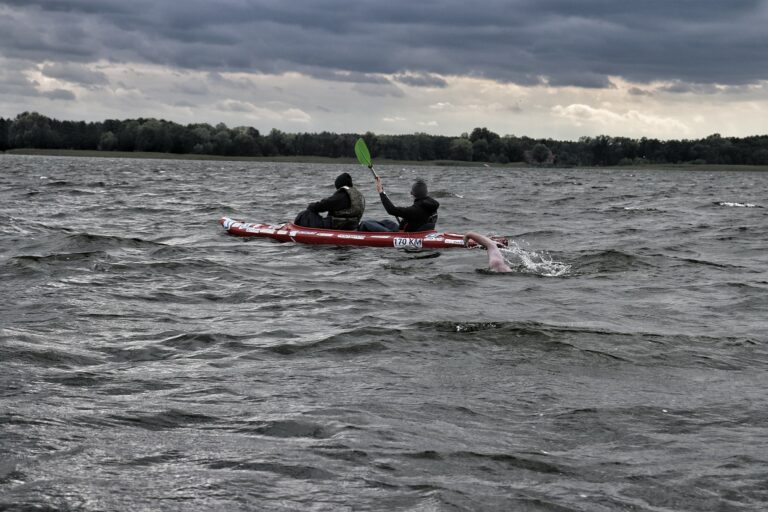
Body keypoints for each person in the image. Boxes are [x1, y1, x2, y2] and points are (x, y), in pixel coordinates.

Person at [359, 177, 439, 232]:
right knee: (387, 222)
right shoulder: (432, 205)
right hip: (416, 230)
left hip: (407, 235)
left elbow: (391, 210)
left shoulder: (415, 210)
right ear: (426, 193)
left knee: (365, 223)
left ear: (413, 193)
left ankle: (357, 231)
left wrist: (380, 192)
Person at [293, 172, 365, 230]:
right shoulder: (357, 195)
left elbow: (324, 205)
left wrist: (311, 206)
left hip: (336, 225)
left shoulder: (342, 195)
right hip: (352, 225)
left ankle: (297, 229)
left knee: (305, 214)